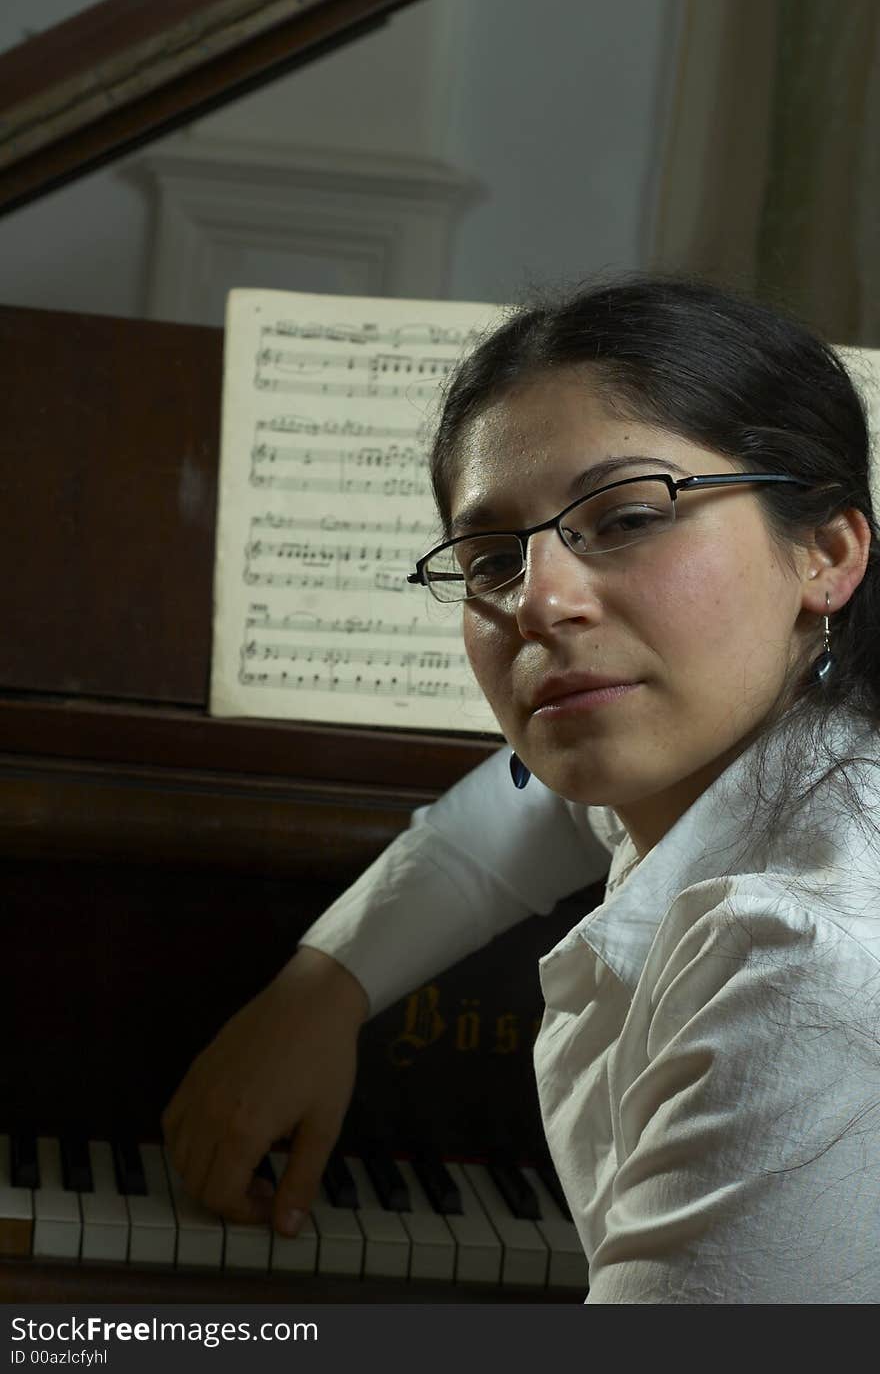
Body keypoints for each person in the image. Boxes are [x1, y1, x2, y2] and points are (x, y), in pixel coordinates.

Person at [162, 273, 880, 1303]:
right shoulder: (768, 751)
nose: (538, 600)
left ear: (826, 550)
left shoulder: (808, 961)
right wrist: (323, 985)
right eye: (492, 555)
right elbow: (542, 798)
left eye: (628, 515)